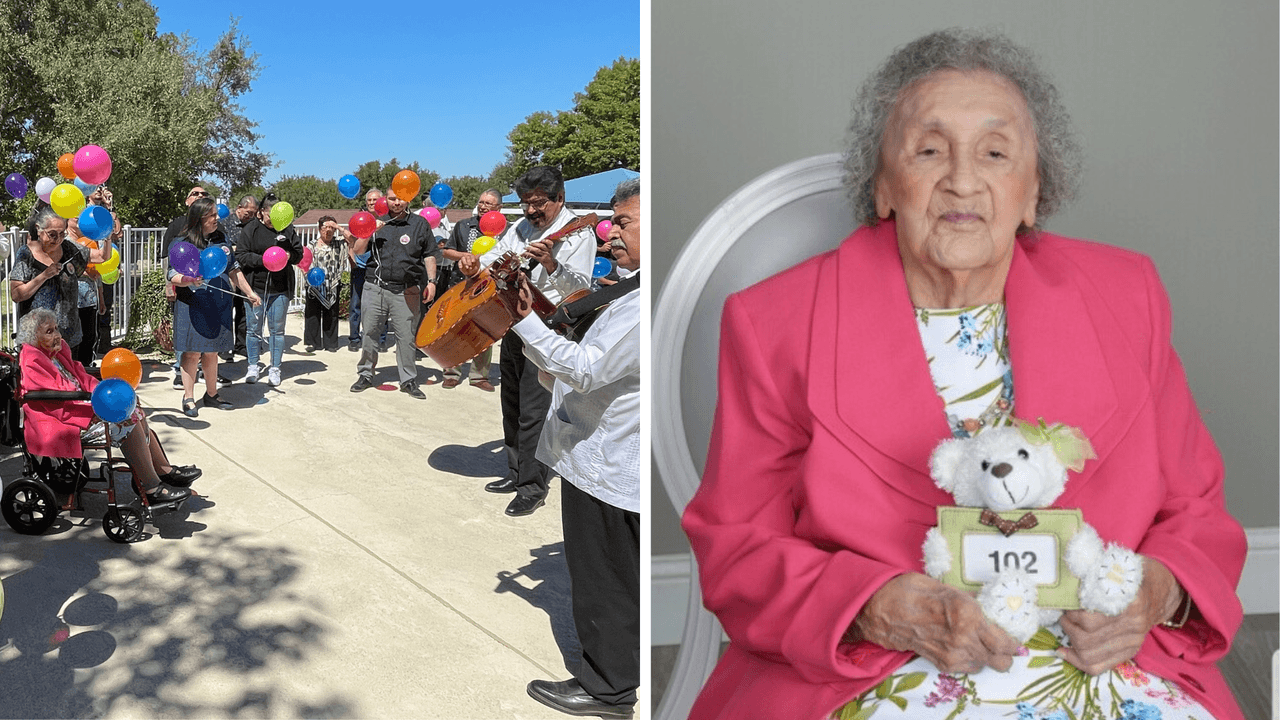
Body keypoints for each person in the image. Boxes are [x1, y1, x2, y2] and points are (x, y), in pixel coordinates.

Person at [681, 28, 1247, 720]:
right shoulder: (775, 321)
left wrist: (1153, 592)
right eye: (928, 150)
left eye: (995, 153)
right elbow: (736, 544)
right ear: (882, 185)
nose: (963, 179)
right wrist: (872, 606)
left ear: (1034, 191)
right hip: (877, 666)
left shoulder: (1126, 296)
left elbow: (1196, 510)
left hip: (1103, 660)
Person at [517, 178, 641, 719]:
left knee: (604, 579)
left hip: (610, 466)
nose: (611, 234)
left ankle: (607, 689)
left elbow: (586, 369)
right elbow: (590, 300)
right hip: (601, 455)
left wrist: (521, 320)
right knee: (614, 575)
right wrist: (547, 283)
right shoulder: (635, 284)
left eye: (625, 223)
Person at [458, 166, 596, 516]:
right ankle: (516, 471)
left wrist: (551, 264)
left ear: (559, 198)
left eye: (538, 203)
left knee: (535, 411)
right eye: (525, 203)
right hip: (515, 322)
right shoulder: (521, 227)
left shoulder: (579, 234)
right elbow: (496, 257)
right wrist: (475, 264)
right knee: (512, 403)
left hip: (549, 330)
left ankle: (532, 487)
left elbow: (580, 289)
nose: (531, 211)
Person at [18, 309, 199, 503]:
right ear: (34, 337)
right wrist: (93, 401)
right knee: (127, 422)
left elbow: (81, 376)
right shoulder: (33, 360)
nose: (57, 335)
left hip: (81, 407)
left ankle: (163, 471)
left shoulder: (55, 353)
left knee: (133, 410)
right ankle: (152, 488)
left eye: (56, 329)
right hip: (64, 419)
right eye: (49, 331)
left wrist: (103, 391)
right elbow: (55, 399)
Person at [169, 197, 261, 416]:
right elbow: (172, 274)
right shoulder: (182, 242)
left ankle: (212, 395)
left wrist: (249, 292)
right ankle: (188, 398)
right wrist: (188, 280)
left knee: (212, 351)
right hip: (192, 304)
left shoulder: (222, 238)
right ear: (199, 218)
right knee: (192, 353)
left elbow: (233, 269)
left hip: (218, 303)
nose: (216, 218)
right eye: (211, 215)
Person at [348, 186, 439, 399]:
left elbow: (429, 255)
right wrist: (370, 232)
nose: (396, 202)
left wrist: (432, 282)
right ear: (385, 200)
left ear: (408, 199)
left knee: (406, 337)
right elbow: (359, 250)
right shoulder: (376, 221)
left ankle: (408, 380)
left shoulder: (419, 224)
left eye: (400, 198)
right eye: (392, 199)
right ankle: (365, 374)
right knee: (369, 333)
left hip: (407, 290)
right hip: (375, 287)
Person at [10, 203, 115, 351]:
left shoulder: (69, 248)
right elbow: (16, 295)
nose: (58, 239)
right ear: (39, 230)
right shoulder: (26, 254)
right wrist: (44, 276)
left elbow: (102, 257)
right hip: (38, 339)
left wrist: (107, 237)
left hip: (69, 338)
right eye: (52, 234)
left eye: (62, 234)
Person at [437, 189, 502, 391]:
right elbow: (447, 251)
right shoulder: (464, 225)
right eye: (481, 202)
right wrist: (466, 257)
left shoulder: (505, 230)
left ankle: (479, 376)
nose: (483, 206)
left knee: (485, 330)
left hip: (489, 286)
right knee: (454, 328)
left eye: (488, 203)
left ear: (499, 208)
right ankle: (451, 373)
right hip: (460, 284)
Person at [236, 196, 303, 387]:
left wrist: (288, 255)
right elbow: (241, 255)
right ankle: (253, 365)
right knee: (253, 330)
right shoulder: (251, 229)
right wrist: (265, 260)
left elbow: (298, 254)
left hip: (280, 290)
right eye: (271, 215)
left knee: (277, 331)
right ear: (262, 212)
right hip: (255, 289)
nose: (274, 220)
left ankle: (275, 368)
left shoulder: (288, 229)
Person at [218, 195, 259, 361]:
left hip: (247, 272)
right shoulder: (224, 224)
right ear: (239, 208)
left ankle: (242, 345)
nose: (251, 216)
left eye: (254, 213)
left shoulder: (254, 225)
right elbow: (224, 248)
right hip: (228, 273)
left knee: (244, 310)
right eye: (248, 212)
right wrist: (238, 250)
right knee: (226, 311)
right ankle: (224, 347)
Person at [303, 215, 349, 352]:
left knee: (332, 313)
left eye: (331, 228)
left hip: (332, 284)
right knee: (312, 314)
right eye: (325, 228)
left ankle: (331, 343)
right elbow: (304, 263)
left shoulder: (339, 243)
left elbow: (353, 239)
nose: (328, 231)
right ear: (319, 229)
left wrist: (339, 227)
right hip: (314, 284)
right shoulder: (312, 245)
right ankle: (312, 342)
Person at [347, 188, 385, 351]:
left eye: (375, 200)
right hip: (361, 267)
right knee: (356, 305)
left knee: (382, 305)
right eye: (369, 200)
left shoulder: (387, 220)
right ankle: (354, 338)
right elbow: (351, 242)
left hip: (380, 269)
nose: (371, 203)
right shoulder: (360, 218)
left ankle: (381, 339)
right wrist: (353, 262)